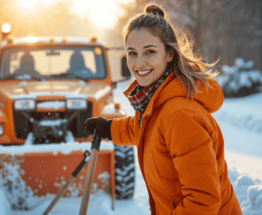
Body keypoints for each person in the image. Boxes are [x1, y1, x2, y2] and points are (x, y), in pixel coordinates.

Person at [84, 3, 242, 215]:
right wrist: (109, 129)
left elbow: (203, 201)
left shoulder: (179, 114)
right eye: (132, 53)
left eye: (149, 51)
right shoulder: (160, 102)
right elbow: (149, 129)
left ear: (169, 54)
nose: (139, 63)